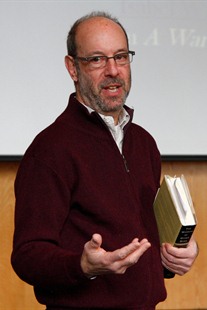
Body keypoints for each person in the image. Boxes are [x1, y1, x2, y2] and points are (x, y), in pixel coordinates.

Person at [11, 11, 198, 310]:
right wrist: (82, 265)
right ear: (73, 68)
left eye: (121, 57)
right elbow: (27, 256)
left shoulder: (145, 143)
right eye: (97, 59)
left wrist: (176, 254)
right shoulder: (49, 149)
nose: (113, 70)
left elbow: (145, 242)